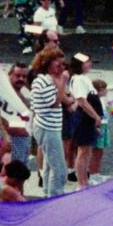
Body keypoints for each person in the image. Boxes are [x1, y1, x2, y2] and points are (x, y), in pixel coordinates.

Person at [29, 47, 71, 197]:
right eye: (58, 64)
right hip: (47, 127)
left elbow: (67, 99)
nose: (61, 68)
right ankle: (55, 195)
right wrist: (63, 83)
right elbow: (54, 103)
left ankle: (47, 193)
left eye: (63, 64)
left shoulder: (48, 80)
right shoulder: (42, 81)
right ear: (47, 64)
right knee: (59, 167)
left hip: (50, 126)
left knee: (49, 164)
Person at [67, 55, 102, 187]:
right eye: (87, 62)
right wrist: (96, 117)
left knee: (87, 151)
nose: (90, 64)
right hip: (83, 119)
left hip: (86, 119)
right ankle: (82, 183)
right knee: (83, 151)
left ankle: (84, 181)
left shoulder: (83, 78)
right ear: (80, 65)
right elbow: (82, 101)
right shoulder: (79, 79)